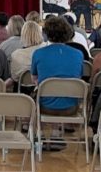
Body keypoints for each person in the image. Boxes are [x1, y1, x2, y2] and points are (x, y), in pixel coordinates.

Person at [32, 16, 86, 150]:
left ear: (46, 33)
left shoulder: (38, 53)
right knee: (62, 88)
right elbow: (78, 77)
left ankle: (41, 135)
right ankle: (56, 134)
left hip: (44, 106)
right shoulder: (78, 54)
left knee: (38, 93)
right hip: (71, 107)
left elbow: (35, 78)